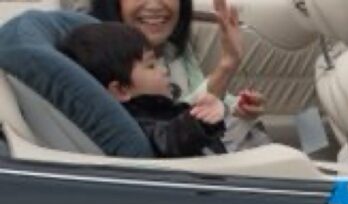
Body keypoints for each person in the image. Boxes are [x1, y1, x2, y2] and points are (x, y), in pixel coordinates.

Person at [90, 0, 268, 149]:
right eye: (150, 67)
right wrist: (226, 67)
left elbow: (197, 97)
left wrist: (237, 107)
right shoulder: (97, 62)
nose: (155, 5)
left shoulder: (173, 50)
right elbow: (171, 131)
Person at [61, 22, 227, 157]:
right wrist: (200, 121)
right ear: (120, 89)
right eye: (151, 66)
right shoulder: (129, 125)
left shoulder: (153, 108)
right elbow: (165, 140)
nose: (163, 70)